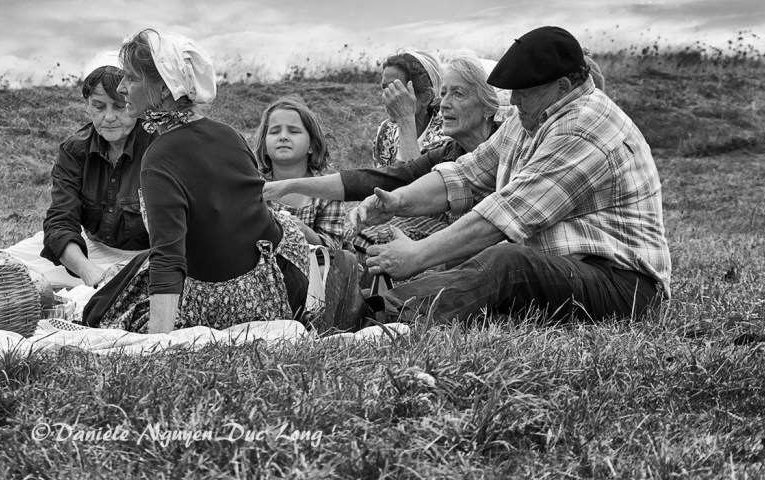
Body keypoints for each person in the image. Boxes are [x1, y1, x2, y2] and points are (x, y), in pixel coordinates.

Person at [352, 26, 671, 326]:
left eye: (523, 92)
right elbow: (467, 173)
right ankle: (366, 303)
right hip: (569, 269)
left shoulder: (585, 126)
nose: (513, 100)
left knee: (509, 262)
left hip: (626, 288)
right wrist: (398, 201)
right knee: (487, 261)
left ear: (561, 87)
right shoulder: (533, 116)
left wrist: (417, 256)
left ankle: (378, 316)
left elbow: (507, 214)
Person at [92, 30, 309, 335]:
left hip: (236, 304)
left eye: (131, 78)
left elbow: (167, 257)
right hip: (285, 279)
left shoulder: (159, 158)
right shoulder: (228, 134)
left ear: (165, 90)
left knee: (113, 310)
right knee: (130, 276)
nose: (123, 87)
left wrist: (159, 341)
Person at [264, 53, 502, 243]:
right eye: (444, 94)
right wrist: (290, 185)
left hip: (473, 238)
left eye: (458, 94)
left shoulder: (472, 139)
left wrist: (406, 119)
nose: (444, 104)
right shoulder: (444, 148)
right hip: (436, 227)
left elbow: (418, 192)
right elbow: (386, 179)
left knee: (388, 232)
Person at [4, 51, 154, 289]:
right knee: (6, 266)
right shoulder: (75, 150)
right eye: (99, 106)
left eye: (120, 106)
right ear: (87, 106)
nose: (109, 117)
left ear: (135, 105)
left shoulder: (158, 146)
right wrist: (88, 272)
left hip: (148, 257)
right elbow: (60, 222)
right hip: (89, 251)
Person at [254, 96, 347, 249]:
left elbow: (333, 248)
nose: (283, 137)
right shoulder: (254, 186)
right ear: (264, 146)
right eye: (275, 131)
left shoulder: (327, 191)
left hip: (313, 268)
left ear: (312, 145)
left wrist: (303, 231)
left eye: (294, 131)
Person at [371, 50, 446, 166]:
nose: (385, 97)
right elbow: (380, 178)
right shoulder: (386, 130)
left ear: (426, 97)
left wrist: (405, 118)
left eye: (396, 89)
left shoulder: (446, 136)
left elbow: (420, 181)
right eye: (384, 88)